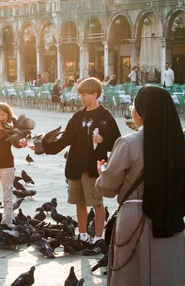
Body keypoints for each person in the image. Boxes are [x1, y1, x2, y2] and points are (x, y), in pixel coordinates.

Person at [95, 85, 185, 286]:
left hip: (136, 221)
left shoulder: (129, 142)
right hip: (169, 225)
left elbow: (107, 187)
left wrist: (102, 171)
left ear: (142, 111)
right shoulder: (176, 144)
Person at [35, 77, 121, 255]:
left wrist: (104, 141)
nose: (81, 98)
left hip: (93, 167)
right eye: (80, 94)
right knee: (79, 203)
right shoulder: (77, 116)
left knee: (96, 203)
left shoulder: (105, 117)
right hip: (75, 166)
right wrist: (43, 147)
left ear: (94, 94)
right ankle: (82, 235)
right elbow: (65, 139)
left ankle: (98, 238)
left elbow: (117, 142)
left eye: (84, 94)